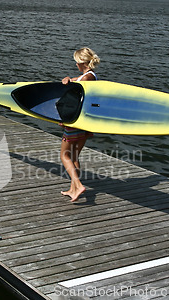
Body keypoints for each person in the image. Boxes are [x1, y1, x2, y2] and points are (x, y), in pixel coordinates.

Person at [60, 47, 100, 202]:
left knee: (65, 156)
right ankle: (73, 189)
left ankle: (78, 184)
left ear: (80, 62)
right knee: (75, 156)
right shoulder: (90, 76)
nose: (75, 64)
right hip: (85, 123)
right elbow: (80, 78)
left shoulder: (85, 79)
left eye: (76, 62)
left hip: (75, 122)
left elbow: (73, 102)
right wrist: (69, 80)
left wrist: (63, 120)